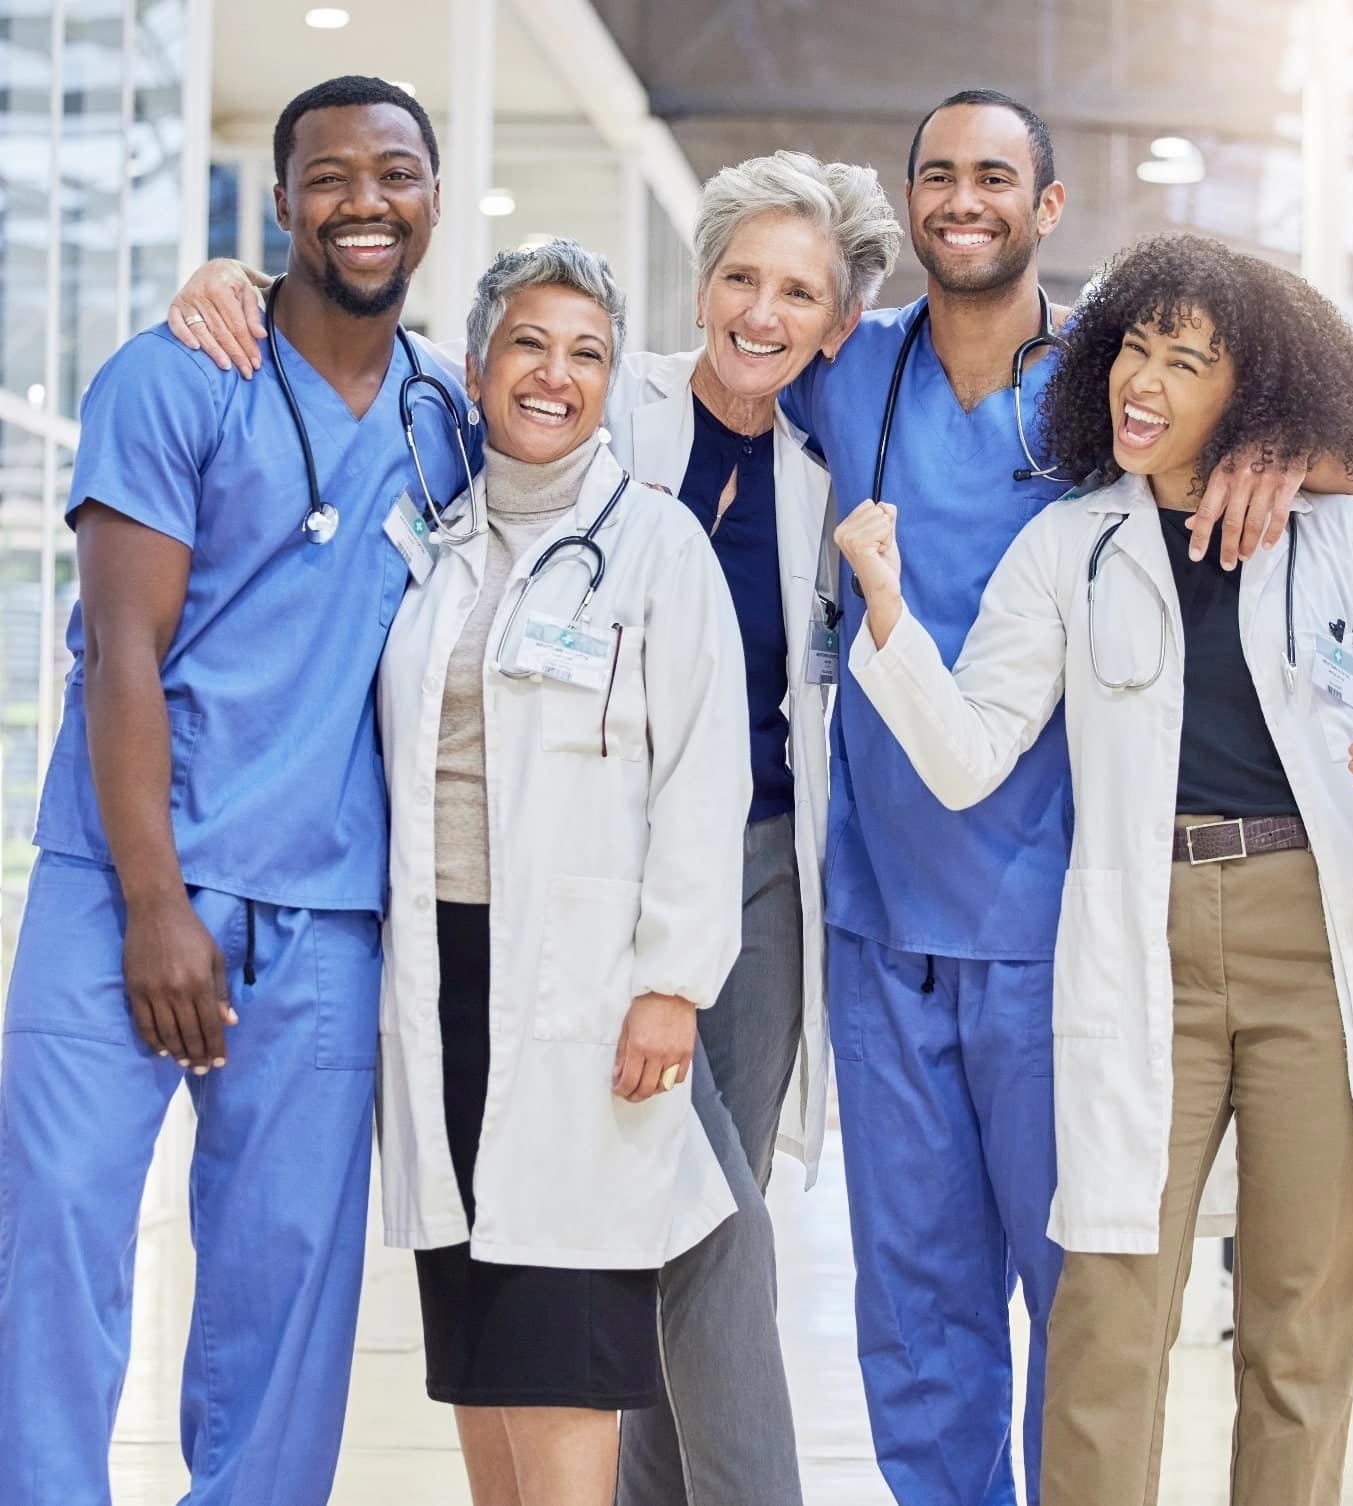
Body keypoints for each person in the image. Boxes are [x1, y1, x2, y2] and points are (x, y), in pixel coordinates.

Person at [166, 147, 903, 1506]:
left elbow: (704, 763)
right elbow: (396, 348)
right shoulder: (553, 425)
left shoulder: (806, 464)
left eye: (798, 291)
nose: (762, 308)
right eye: (741, 275)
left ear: (835, 322)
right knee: (592, 1251)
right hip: (492, 922)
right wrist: (237, 288)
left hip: (721, 879)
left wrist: (669, 976)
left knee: (697, 1230)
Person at [778, 89, 1353, 1506]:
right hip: (907, 913)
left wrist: (1300, 451)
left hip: (1073, 923)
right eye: (937, 175)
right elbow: (706, 372)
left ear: (1050, 207)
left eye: (996, 176)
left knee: (1122, 1299)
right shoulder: (854, 376)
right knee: (932, 1305)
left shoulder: (1197, 439)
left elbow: (1342, 465)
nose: (963, 199)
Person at [0, 77, 476, 1504]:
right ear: (279, 206)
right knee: (60, 1234)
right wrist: (154, 903)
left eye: (394, 174)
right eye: (327, 177)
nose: (364, 202)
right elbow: (120, 648)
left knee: (288, 1297)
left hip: (324, 911)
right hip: (123, 889)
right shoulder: (173, 375)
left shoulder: (450, 414)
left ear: (434, 199)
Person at [378, 238, 749, 1506]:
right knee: (479, 1349)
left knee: (562, 1350)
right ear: (476, 367)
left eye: (588, 352)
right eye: (529, 345)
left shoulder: (655, 548)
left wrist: (674, 983)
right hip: (444, 975)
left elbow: (706, 778)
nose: (556, 374)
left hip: (590, 993)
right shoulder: (433, 540)